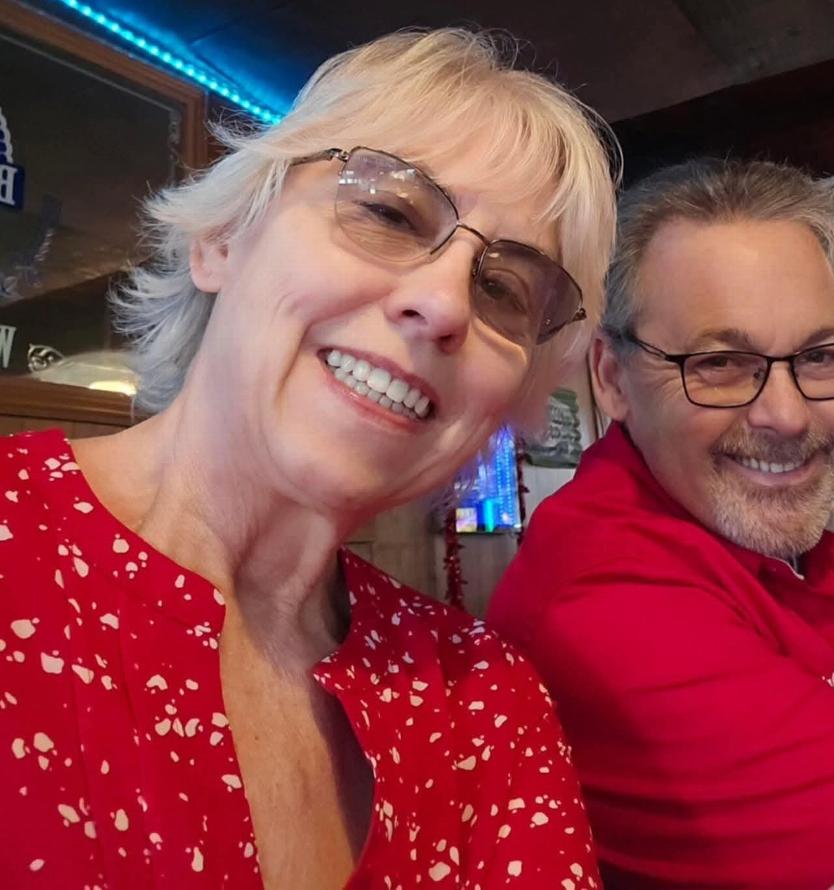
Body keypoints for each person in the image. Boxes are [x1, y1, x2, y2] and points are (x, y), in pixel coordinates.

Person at [0, 29, 617, 888]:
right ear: (221, 238)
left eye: (504, 290)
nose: (442, 303)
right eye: (389, 212)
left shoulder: (484, 700)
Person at [488, 158, 834, 889]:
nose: (788, 417)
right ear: (612, 379)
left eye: (821, 355)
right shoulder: (596, 596)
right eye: (721, 362)